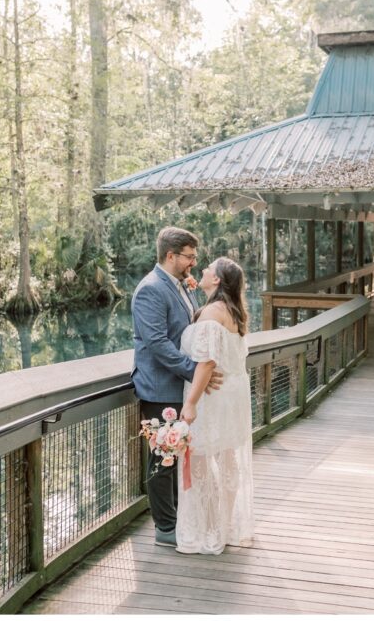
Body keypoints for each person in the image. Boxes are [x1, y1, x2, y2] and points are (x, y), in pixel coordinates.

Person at [131, 226, 222, 547]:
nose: (193, 263)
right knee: (162, 458)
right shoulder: (150, 289)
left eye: (195, 257)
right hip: (159, 388)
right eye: (189, 257)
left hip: (178, 387)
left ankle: (179, 519)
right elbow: (156, 342)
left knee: (177, 457)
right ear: (170, 255)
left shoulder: (180, 285)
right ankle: (165, 528)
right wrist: (196, 372)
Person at [176, 257, 255, 554]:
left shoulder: (212, 312)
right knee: (227, 457)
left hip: (215, 396)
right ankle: (225, 524)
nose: (204, 271)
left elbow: (207, 362)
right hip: (234, 393)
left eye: (208, 269)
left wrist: (191, 403)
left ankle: (210, 530)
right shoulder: (233, 312)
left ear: (218, 280)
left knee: (200, 458)